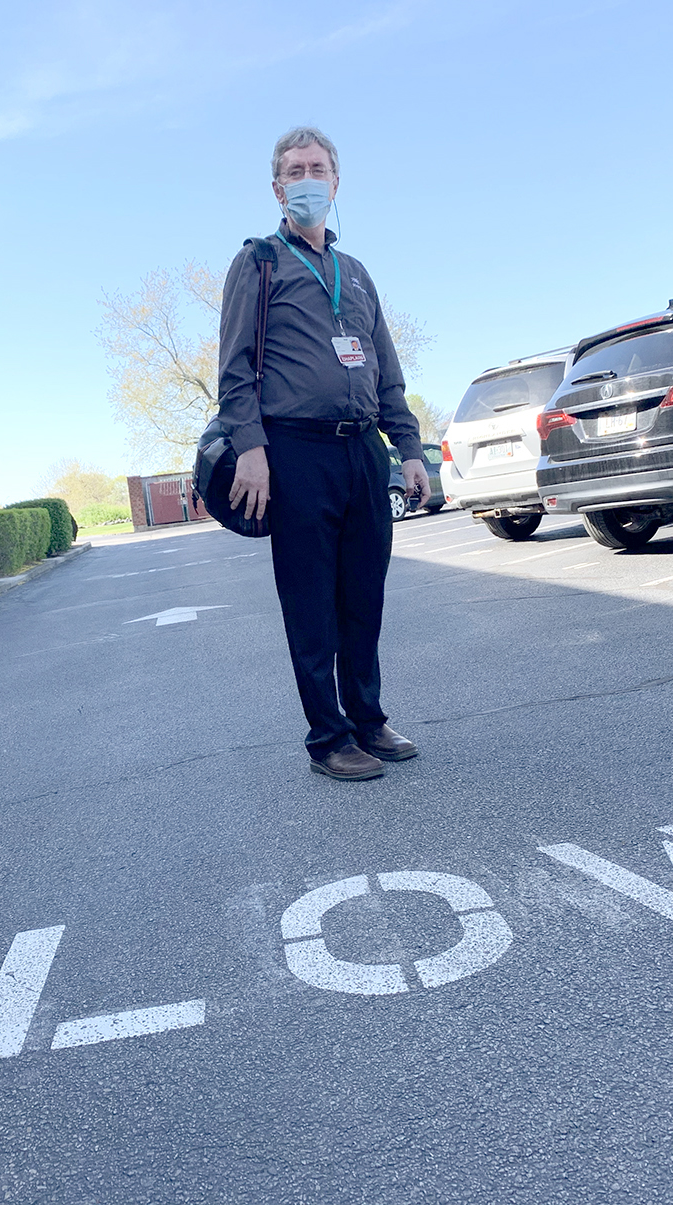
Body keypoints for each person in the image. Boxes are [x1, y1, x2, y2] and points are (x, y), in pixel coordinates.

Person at [216, 126, 429, 782]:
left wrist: (410, 448)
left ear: (336, 182)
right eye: (295, 169)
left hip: (362, 450)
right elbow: (235, 368)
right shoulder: (259, 263)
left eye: (318, 167)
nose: (308, 178)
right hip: (295, 451)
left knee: (364, 595)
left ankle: (368, 717)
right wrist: (251, 448)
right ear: (278, 187)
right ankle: (329, 736)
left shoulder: (356, 274)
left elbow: (386, 370)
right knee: (311, 602)